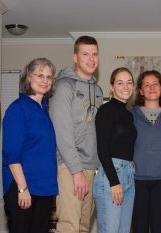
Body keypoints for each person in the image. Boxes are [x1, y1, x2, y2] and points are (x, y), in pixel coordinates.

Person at [49, 35, 103, 233]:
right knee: (69, 227)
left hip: (91, 167)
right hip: (70, 166)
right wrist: (76, 170)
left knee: (83, 227)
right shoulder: (63, 87)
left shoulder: (97, 90)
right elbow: (62, 133)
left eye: (95, 54)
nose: (91, 59)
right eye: (85, 54)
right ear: (75, 57)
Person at [2, 58, 58, 233]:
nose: (45, 80)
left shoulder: (43, 109)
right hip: (24, 188)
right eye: (40, 75)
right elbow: (12, 154)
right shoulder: (18, 109)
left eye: (49, 77)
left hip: (44, 189)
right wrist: (22, 188)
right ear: (28, 77)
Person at [131, 70, 161, 233]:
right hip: (136, 180)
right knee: (140, 227)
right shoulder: (131, 116)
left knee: (159, 227)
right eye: (146, 85)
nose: (151, 88)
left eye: (155, 84)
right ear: (141, 91)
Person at [93, 67, 137, 233]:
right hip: (111, 176)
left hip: (129, 175)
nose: (125, 86)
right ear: (112, 87)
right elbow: (102, 149)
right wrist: (114, 181)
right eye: (120, 83)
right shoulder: (106, 110)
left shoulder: (129, 115)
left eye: (129, 82)